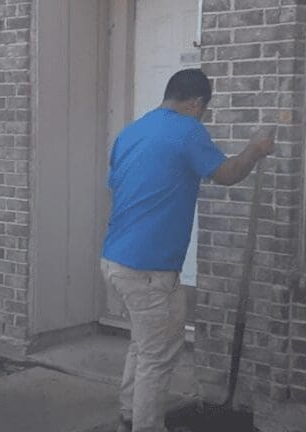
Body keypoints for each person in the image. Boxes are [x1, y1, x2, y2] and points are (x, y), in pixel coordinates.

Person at [100, 69, 275, 432]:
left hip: (117, 258)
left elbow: (115, 185)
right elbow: (225, 173)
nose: (204, 117)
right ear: (196, 103)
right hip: (148, 268)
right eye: (205, 110)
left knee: (146, 343)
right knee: (158, 353)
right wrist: (255, 150)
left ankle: (129, 415)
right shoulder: (187, 130)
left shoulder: (130, 132)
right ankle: (146, 427)